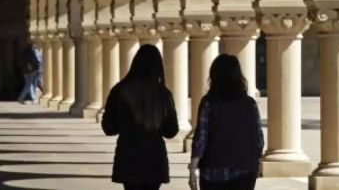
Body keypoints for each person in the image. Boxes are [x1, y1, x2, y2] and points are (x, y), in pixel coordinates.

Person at [102, 45, 178, 190]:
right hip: (154, 160)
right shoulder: (163, 94)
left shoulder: (119, 90)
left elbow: (109, 128)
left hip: (128, 159)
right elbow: (171, 131)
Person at [188, 54, 264, 190]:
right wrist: (255, 162)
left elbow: (201, 138)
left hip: (214, 170)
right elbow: (258, 139)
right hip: (244, 170)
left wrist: (193, 169)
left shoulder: (208, 103)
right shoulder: (250, 104)